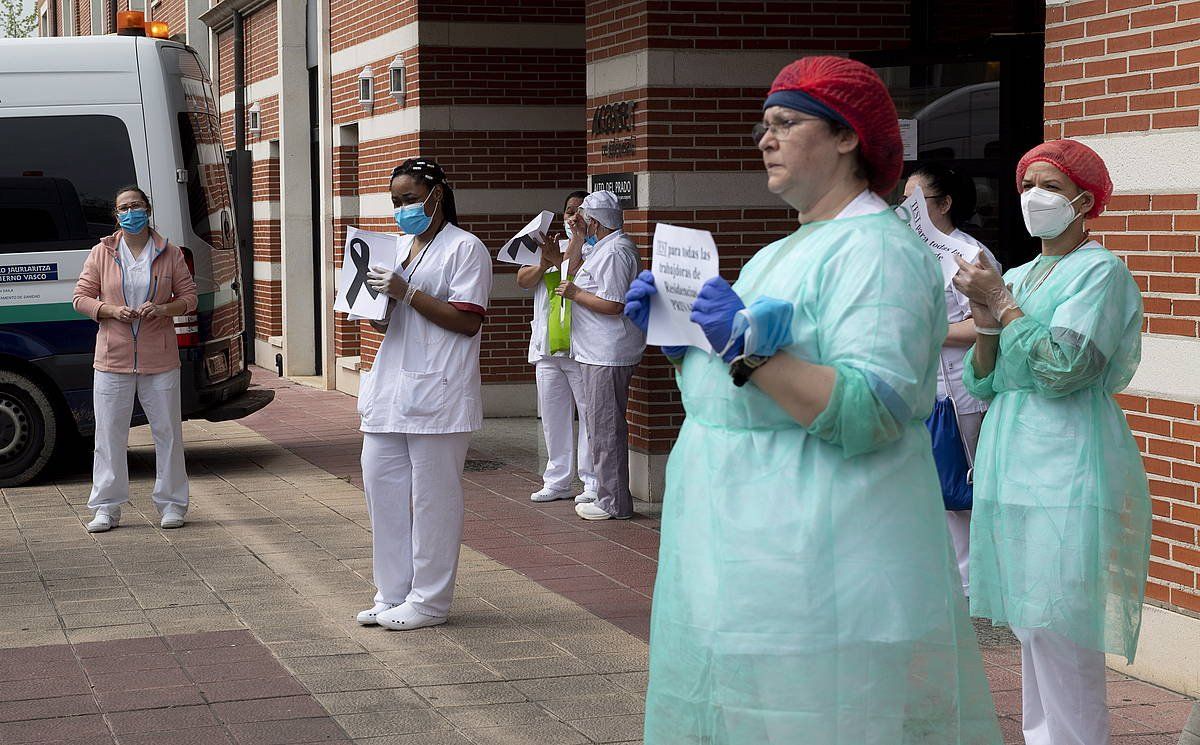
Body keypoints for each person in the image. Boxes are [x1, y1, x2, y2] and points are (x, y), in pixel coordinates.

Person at [623, 56, 1001, 744]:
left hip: (831, 569)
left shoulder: (878, 253)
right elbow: (737, 404)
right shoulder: (784, 250)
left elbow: (874, 409)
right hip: (760, 563)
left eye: (785, 123)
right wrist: (685, 347)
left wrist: (749, 348)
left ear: (849, 136)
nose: (764, 140)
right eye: (763, 125)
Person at [952, 139, 1150, 745]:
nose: (1034, 198)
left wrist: (1004, 306)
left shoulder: (1101, 272)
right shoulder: (1021, 273)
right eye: (1027, 185)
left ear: (1084, 202)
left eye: (1051, 187)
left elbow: (1067, 366)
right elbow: (983, 377)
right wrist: (986, 317)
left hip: (1067, 457)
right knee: (1030, 623)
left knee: (1062, 621)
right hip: (1013, 456)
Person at [353, 158, 493, 631]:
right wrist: (376, 306)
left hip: (439, 391)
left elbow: (468, 320)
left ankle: (430, 601)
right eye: (395, 201)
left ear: (436, 194)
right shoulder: (400, 248)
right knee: (382, 488)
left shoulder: (465, 248)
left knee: (434, 500)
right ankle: (392, 592)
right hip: (390, 388)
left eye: (409, 199)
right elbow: (390, 319)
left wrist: (406, 292)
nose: (401, 209)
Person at [73, 186, 197, 533]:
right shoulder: (102, 252)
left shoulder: (169, 252)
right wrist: (109, 310)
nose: (130, 212)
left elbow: (189, 298)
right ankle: (106, 508)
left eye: (136, 206)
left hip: (160, 358)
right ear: (116, 215)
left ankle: (172, 504)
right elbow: (80, 297)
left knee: (168, 433)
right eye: (123, 208)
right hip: (113, 358)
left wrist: (162, 309)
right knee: (109, 434)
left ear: (148, 209)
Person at [903, 162, 1000, 598]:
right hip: (919, 389)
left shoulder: (969, 255)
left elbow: (990, 325)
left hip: (962, 390)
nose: (908, 209)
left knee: (960, 487)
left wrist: (929, 333)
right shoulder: (906, 252)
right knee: (927, 487)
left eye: (918, 201)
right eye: (903, 201)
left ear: (944, 204)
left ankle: (970, 584)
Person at [554, 190, 645, 520]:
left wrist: (577, 295)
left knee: (606, 429)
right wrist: (577, 237)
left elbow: (615, 304)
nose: (580, 222)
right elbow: (570, 270)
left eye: (584, 218)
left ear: (595, 220)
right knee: (598, 427)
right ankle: (609, 495)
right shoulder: (600, 248)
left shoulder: (618, 252)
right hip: (594, 351)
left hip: (609, 352)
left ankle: (614, 502)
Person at [516, 191, 599, 504]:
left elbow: (580, 279)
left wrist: (559, 262)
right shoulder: (549, 245)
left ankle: (591, 481)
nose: (572, 216)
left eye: (579, 211)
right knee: (553, 418)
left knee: (589, 417)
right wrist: (545, 262)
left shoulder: (594, 249)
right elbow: (523, 279)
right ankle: (557, 480)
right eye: (568, 210)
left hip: (579, 348)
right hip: (547, 348)